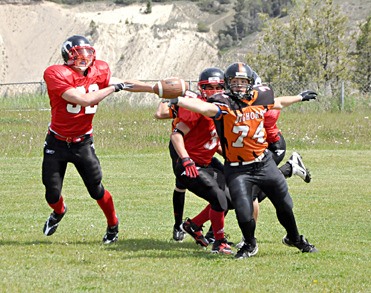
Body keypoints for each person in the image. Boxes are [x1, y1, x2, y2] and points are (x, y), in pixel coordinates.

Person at [162, 62, 318, 258]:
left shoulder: (260, 97)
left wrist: (300, 97)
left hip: (264, 163)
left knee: (285, 205)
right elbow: (203, 107)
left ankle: (295, 238)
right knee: (243, 212)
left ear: (250, 83)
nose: (238, 86)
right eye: (234, 82)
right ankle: (249, 245)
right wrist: (180, 100)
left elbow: (278, 102)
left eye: (242, 82)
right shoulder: (223, 102)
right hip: (238, 169)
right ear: (228, 84)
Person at [42, 35, 154, 244]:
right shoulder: (56, 73)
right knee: (52, 193)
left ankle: (113, 224)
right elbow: (85, 100)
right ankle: (59, 211)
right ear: (68, 56)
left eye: (87, 53)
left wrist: (155, 89)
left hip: (82, 143)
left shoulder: (98, 71)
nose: (84, 58)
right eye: (78, 54)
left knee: (96, 188)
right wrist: (114, 88)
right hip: (56, 142)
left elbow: (125, 82)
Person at [170, 67, 233, 254]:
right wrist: (186, 159)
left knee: (230, 198)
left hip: (207, 161)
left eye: (218, 87)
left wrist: (231, 156)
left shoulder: (224, 108)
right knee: (219, 198)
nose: (214, 92)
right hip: (190, 165)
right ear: (201, 88)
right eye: (209, 87)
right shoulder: (197, 107)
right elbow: (176, 135)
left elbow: (214, 140)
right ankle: (219, 242)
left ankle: (194, 225)